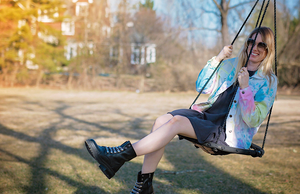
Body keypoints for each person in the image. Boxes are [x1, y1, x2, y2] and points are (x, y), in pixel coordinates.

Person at [85, 26, 277, 194]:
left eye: (262, 45)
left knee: (176, 123)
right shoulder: (231, 65)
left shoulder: (268, 82)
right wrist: (218, 58)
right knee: (161, 121)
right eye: (252, 42)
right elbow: (202, 87)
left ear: (268, 51)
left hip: (226, 132)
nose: (255, 47)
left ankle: (118, 156)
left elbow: (253, 119)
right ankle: (144, 185)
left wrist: (245, 88)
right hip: (207, 117)